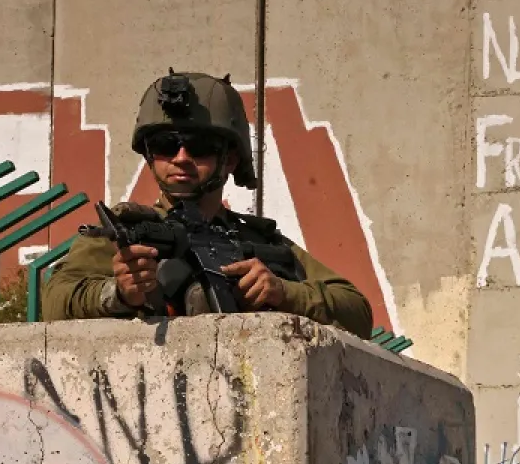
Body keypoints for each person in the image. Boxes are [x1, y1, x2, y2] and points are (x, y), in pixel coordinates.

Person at [43, 70, 372, 338]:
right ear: (149, 155)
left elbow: (357, 312)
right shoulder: (128, 232)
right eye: (165, 145)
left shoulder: (258, 241)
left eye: (199, 146)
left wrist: (283, 292)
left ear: (230, 159)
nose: (181, 158)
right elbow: (55, 302)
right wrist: (119, 293)